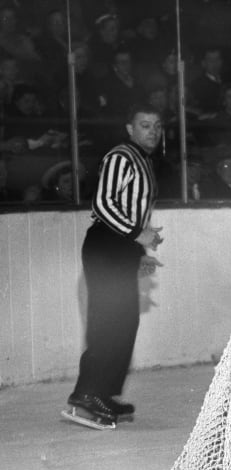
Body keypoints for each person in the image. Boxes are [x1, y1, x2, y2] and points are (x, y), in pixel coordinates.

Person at [62, 106, 164, 429]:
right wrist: (138, 235)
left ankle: (103, 393)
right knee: (109, 320)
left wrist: (139, 252)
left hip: (118, 249)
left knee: (124, 321)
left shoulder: (143, 161)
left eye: (157, 126)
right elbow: (103, 204)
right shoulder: (122, 157)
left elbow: (132, 213)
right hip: (105, 246)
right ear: (129, 129)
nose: (152, 131)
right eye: (145, 125)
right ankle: (87, 395)